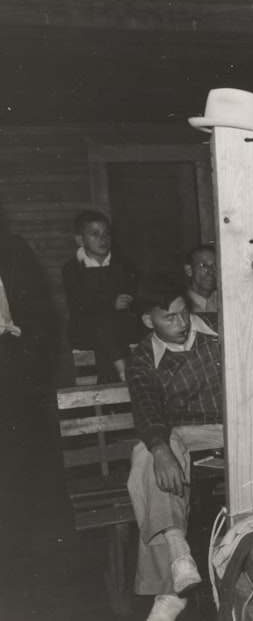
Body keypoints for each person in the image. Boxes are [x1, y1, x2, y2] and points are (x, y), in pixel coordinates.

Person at [125, 275, 224, 621]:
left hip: (230, 427)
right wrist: (161, 449)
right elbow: (147, 407)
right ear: (148, 321)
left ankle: (170, 590)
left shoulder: (218, 330)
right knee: (147, 454)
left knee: (150, 454)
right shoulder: (143, 359)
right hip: (183, 433)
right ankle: (178, 552)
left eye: (183, 313)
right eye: (169, 318)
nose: (181, 323)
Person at [0, 224, 49, 616]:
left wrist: (21, 345)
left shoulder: (14, 250)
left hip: (10, 379)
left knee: (12, 485)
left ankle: (15, 583)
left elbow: (38, 313)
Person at [62, 210, 142, 382]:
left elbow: (133, 300)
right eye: (95, 234)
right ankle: (126, 375)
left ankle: (114, 391)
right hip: (84, 329)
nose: (103, 238)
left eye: (106, 233)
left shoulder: (124, 266)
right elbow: (77, 307)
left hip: (120, 327)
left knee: (108, 329)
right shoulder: (72, 269)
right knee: (102, 322)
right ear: (80, 240)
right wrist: (110, 305)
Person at [183, 244, 217, 313]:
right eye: (203, 266)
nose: (210, 271)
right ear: (189, 270)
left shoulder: (226, 301)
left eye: (214, 266)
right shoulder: (181, 305)